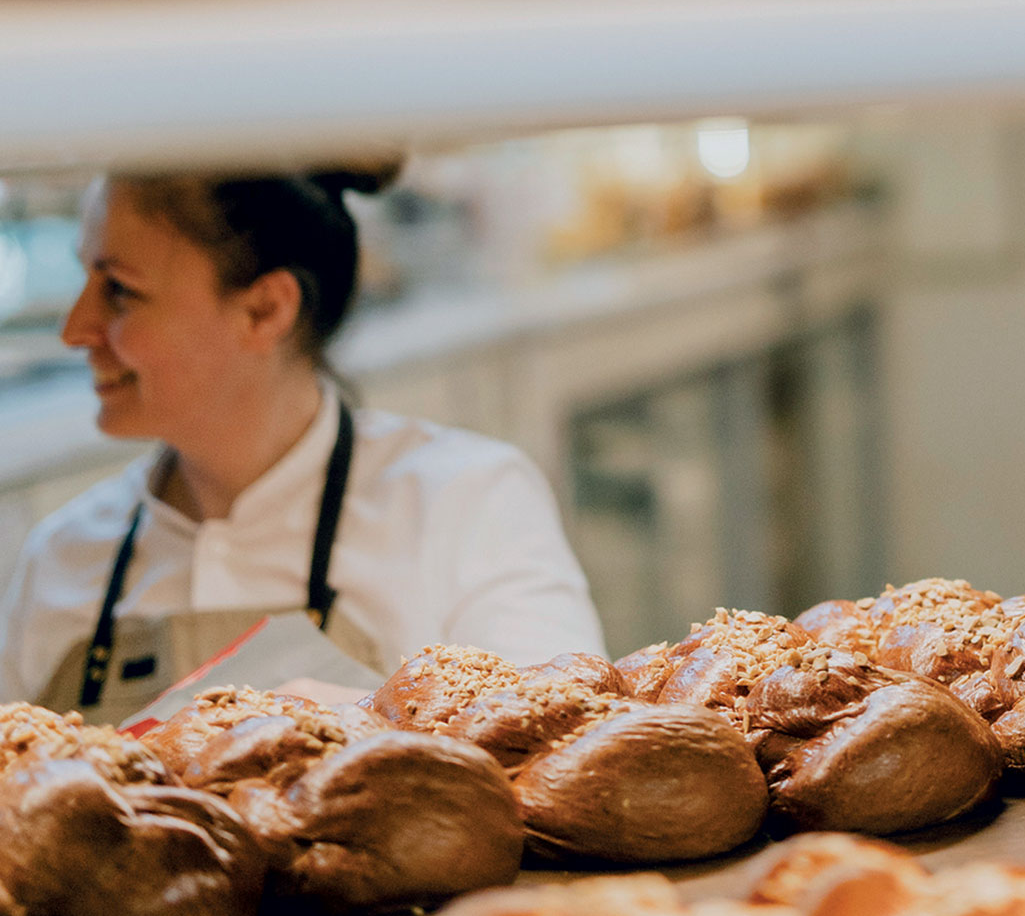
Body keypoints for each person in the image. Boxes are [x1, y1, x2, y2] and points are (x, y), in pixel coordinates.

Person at [0, 168, 604, 719]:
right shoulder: (62, 555)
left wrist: (366, 722)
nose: (74, 330)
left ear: (265, 310)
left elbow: (559, 738)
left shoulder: (468, 500)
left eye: (119, 291)